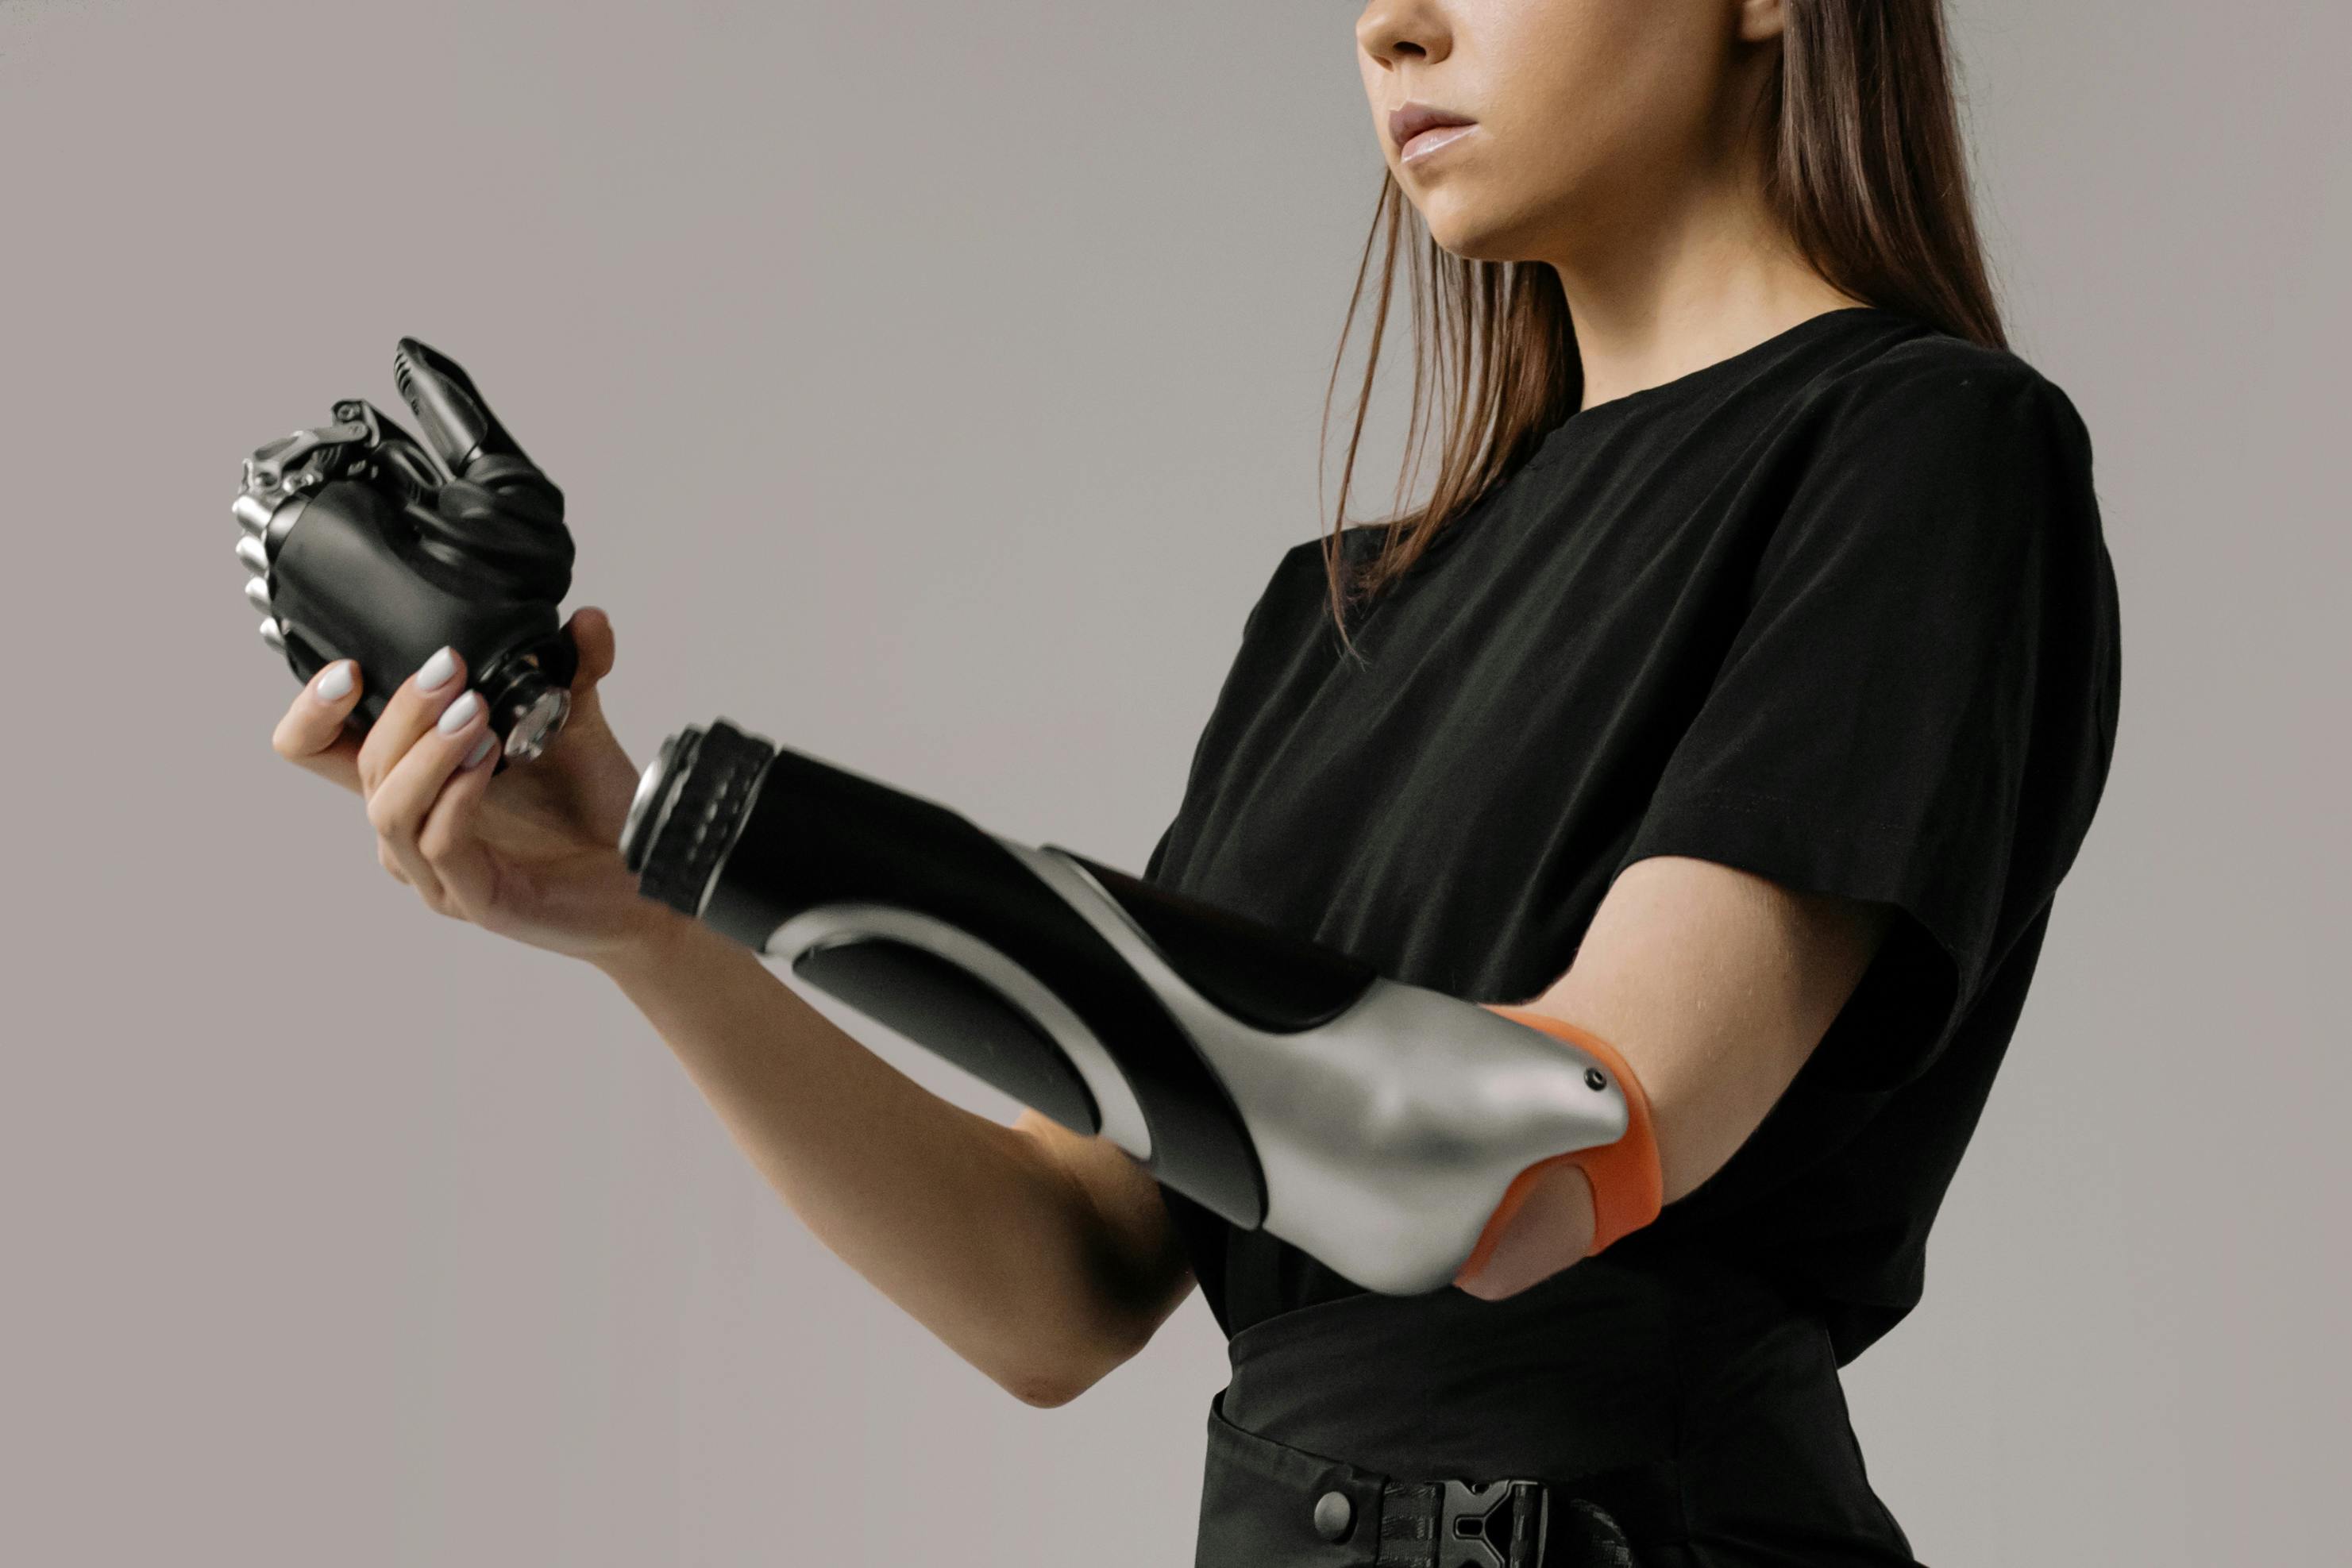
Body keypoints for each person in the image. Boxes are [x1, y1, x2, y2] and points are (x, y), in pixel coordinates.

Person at [265, 1, 2122, 1563]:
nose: (1388, 21)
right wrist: (630, 895)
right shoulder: (1335, 613)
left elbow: (1533, 1152)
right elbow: (1056, 1284)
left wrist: (723, 822)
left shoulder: (1923, 453)